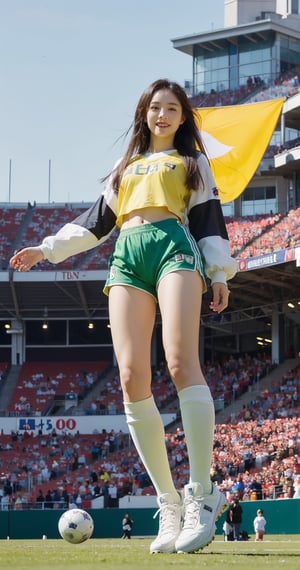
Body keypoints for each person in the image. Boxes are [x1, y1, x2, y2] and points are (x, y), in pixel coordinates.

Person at [10, 78, 237, 554]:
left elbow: (209, 217)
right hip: (126, 257)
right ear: (145, 113)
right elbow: (95, 222)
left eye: (172, 108)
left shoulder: (193, 162)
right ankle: (169, 503)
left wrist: (218, 273)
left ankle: (201, 494)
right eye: (156, 107)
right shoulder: (125, 166)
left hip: (174, 247)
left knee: (179, 363)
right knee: (133, 377)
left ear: (182, 116)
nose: (163, 115)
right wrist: (44, 250)